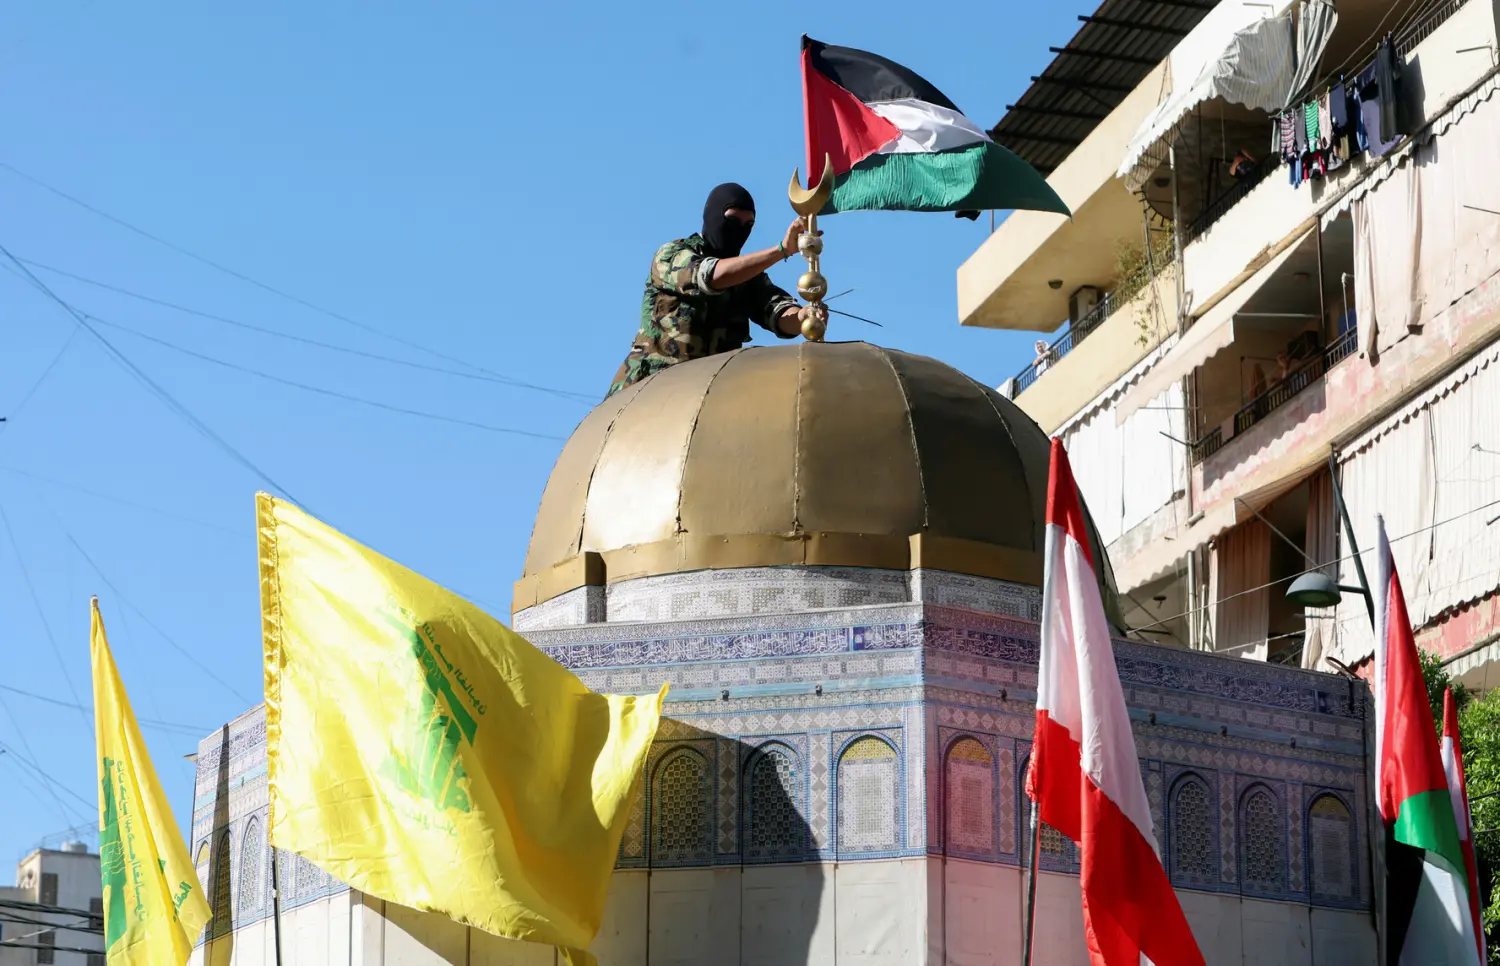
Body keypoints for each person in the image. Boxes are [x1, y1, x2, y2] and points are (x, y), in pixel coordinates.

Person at [607, 183, 829, 397]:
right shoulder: (672, 255)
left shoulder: (749, 277)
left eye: (748, 225)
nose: (739, 231)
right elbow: (711, 276)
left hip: (707, 397)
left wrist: (804, 317)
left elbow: (779, 314)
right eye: (732, 220)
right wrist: (781, 250)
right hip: (650, 392)